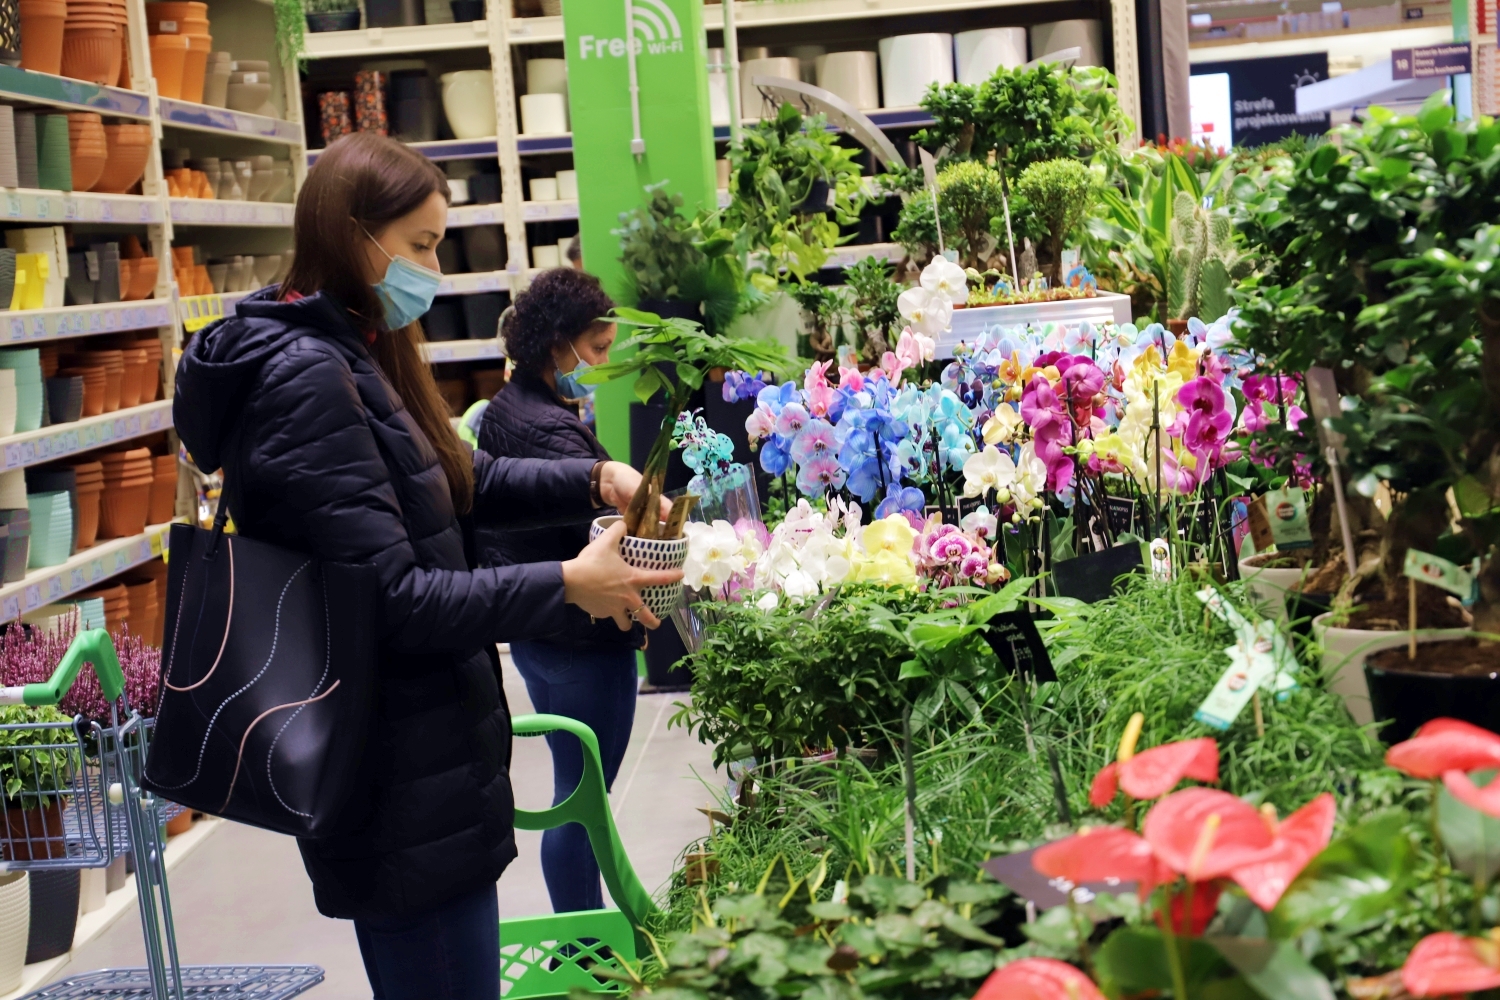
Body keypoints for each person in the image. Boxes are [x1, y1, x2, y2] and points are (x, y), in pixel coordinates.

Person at [171, 132, 677, 1000]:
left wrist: (596, 473)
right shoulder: (306, 379)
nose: (433, 269)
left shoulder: (352, 350)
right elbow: (393, 600)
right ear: (354, 235)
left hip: (426, 763)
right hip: (394, 774)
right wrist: (564, 583)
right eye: (421, 246)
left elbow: (454, 476)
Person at [474, 267, 636, 914]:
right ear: (557, 342)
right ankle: (585, 952)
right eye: (596, 350)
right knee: (583, 800)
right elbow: (600, 538)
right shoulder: (547, 430)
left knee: (576, 792)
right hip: (579, 640)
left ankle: (586, 941)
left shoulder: (510, 409)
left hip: (544, 633)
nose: (601, 363)